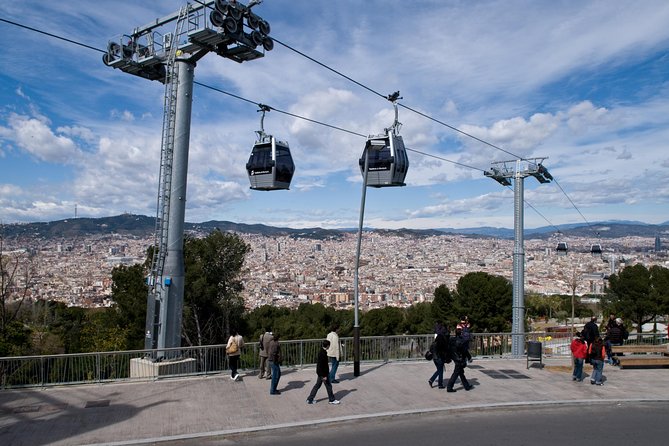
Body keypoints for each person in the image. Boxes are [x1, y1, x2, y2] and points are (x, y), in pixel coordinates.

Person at [306, 339, 341, 405]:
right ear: (327, 346)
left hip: (320, 373)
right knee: (328, 386)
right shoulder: (323, 354)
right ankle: (331, 399)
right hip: (323, 374)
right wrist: (324, 376)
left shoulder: (321, 352)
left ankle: (310, 399)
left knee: (317, 386)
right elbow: (323, 365)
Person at [446, 327, 473, 392]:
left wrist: (449, 357)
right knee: (456, 373)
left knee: (461, 373)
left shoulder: (451, 340)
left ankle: (467, 386)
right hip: (460, 359)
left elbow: (449, 349)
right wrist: (469, 357)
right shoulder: (461, 341)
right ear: (461, 333)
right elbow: (465, 351)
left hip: (455, 358)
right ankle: (449, 387)